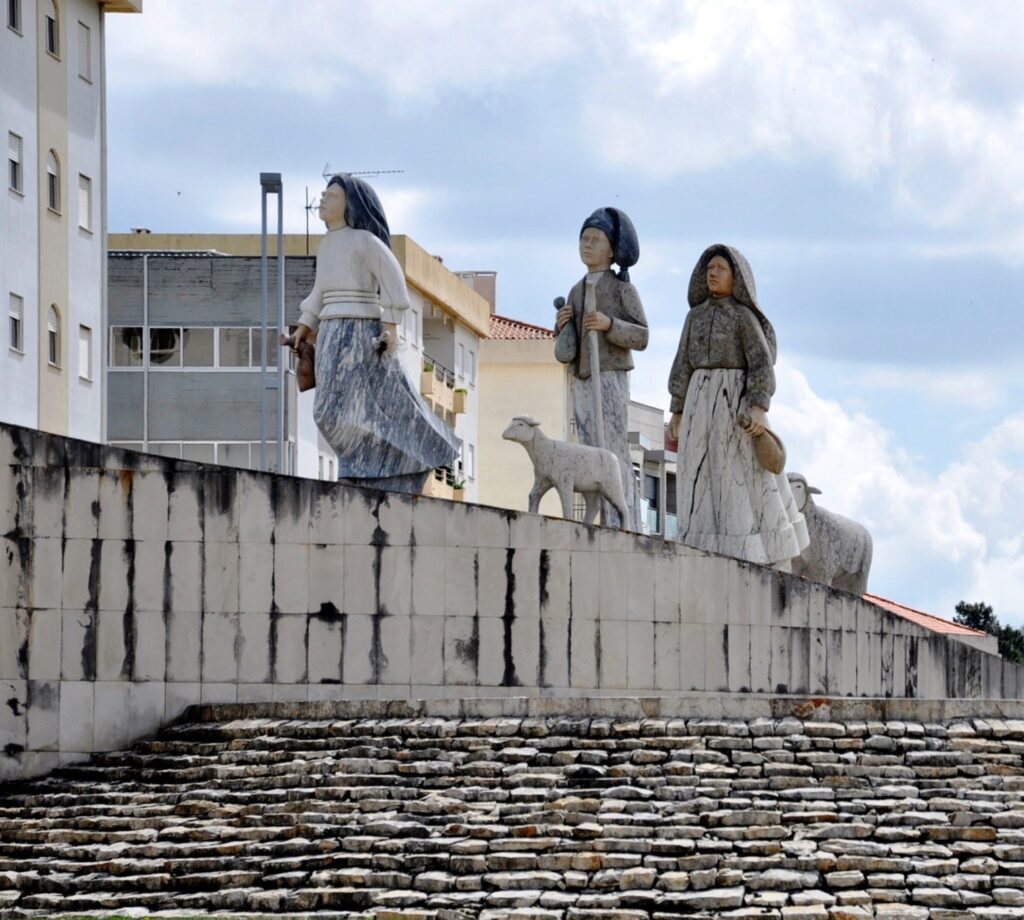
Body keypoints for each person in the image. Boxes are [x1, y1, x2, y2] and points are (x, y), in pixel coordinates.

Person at [287, 173, 459, 493]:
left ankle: (376, 464)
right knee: (327, 409)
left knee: (348, 408)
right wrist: (304, 325)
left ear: (350, 204)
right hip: (331, 331)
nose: (323, 200)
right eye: (323, 195)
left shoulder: (365, 241)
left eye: (333, 196)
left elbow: (395, 285)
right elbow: (320, 290)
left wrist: (390, 327)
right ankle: (361, 463)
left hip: (359, 329)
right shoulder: (328, 244)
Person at [667, 244, 807, 566]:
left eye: (721, 269)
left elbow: (760, 362)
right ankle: (700, 538)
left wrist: (758, 404)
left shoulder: (743, 316)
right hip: (699, 403)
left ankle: (748, 543)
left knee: (736, 474)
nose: (713, 273)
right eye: (709, 269)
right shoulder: (694, 317)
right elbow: (682, 364)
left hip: (733, 401)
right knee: (700, 475)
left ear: (737, 278)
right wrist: (678, 406)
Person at [554, 207, 648, 530]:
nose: (587, 244)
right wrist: (563, 327)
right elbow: (567, 346)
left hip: (609, 375)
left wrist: (610, 325)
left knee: (612, 448)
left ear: (611, 249)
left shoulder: (623, 290)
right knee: (591, 447)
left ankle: (626, 520)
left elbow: (642, 335)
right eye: (584, 238)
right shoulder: (576, 291)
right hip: (582, 377)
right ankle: (600, 517)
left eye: (596, 239)